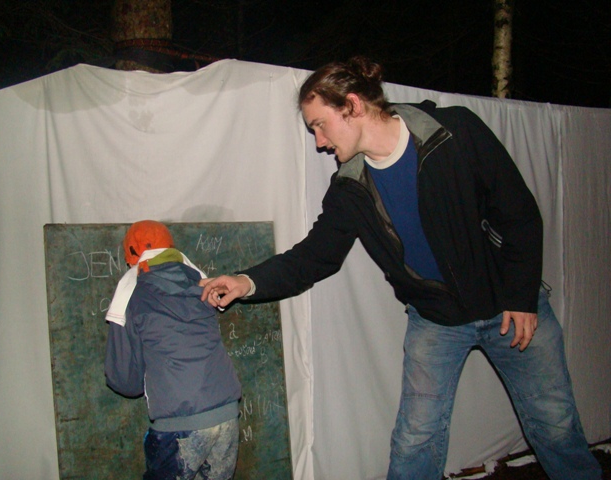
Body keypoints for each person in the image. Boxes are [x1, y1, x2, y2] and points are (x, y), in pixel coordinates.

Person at [200, 57, 602, 479]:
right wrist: (247, 281)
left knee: (555, 426)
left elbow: (518, 213)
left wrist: (521, 297)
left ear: (352, 105)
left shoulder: (454, 132)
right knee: (415, 440)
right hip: (436, 320)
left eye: (320, 125)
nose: (319, 141)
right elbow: (315, 256)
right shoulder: (350, 187)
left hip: (509, 306)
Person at [104, 220, 241, 480]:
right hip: (227, 414)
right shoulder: (201, 283)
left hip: (180, 423)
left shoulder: (133, 295)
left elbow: (125, 381)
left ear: (132, 253)